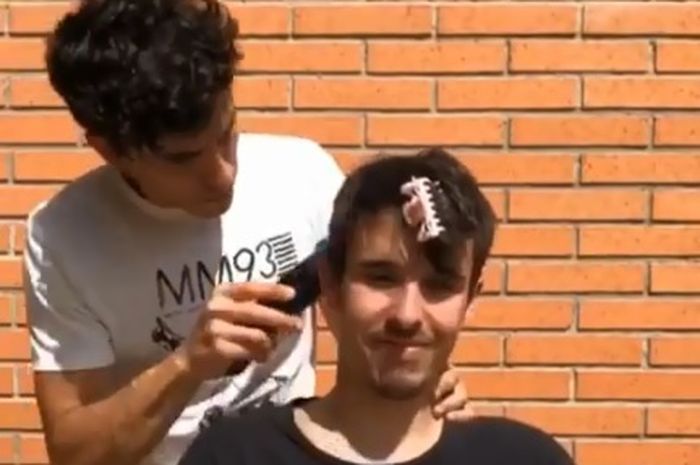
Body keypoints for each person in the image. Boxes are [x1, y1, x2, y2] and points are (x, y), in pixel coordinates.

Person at [22, 1, 472, 465]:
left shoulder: (303, 173)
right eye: (183, 159)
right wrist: (188, 364)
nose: (224, 175)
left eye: (227, 133)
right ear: (110, 150)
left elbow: (376, 306)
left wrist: (427, 380)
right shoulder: (64, 237)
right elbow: (75, 455)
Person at [178, 147, 576, 465]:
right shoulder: (234, 456)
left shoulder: (525, 459)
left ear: (471, 298)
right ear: (331, 285)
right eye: (382, 278)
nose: (407, 314)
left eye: (440, 285)